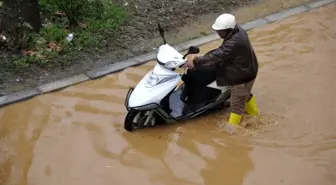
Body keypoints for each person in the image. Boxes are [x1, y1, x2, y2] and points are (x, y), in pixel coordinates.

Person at [184, 13, 259, 134]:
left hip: (242, 76)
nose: (218, 33)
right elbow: (221, 53)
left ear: (228, 30)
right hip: (247, 70)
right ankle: (255, 115)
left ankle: (232, 130)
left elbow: (218, 54)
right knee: (244, 94)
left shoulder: (234, 42)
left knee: (236, 104)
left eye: (220, 31)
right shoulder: (238, 30)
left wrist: (196, 60)